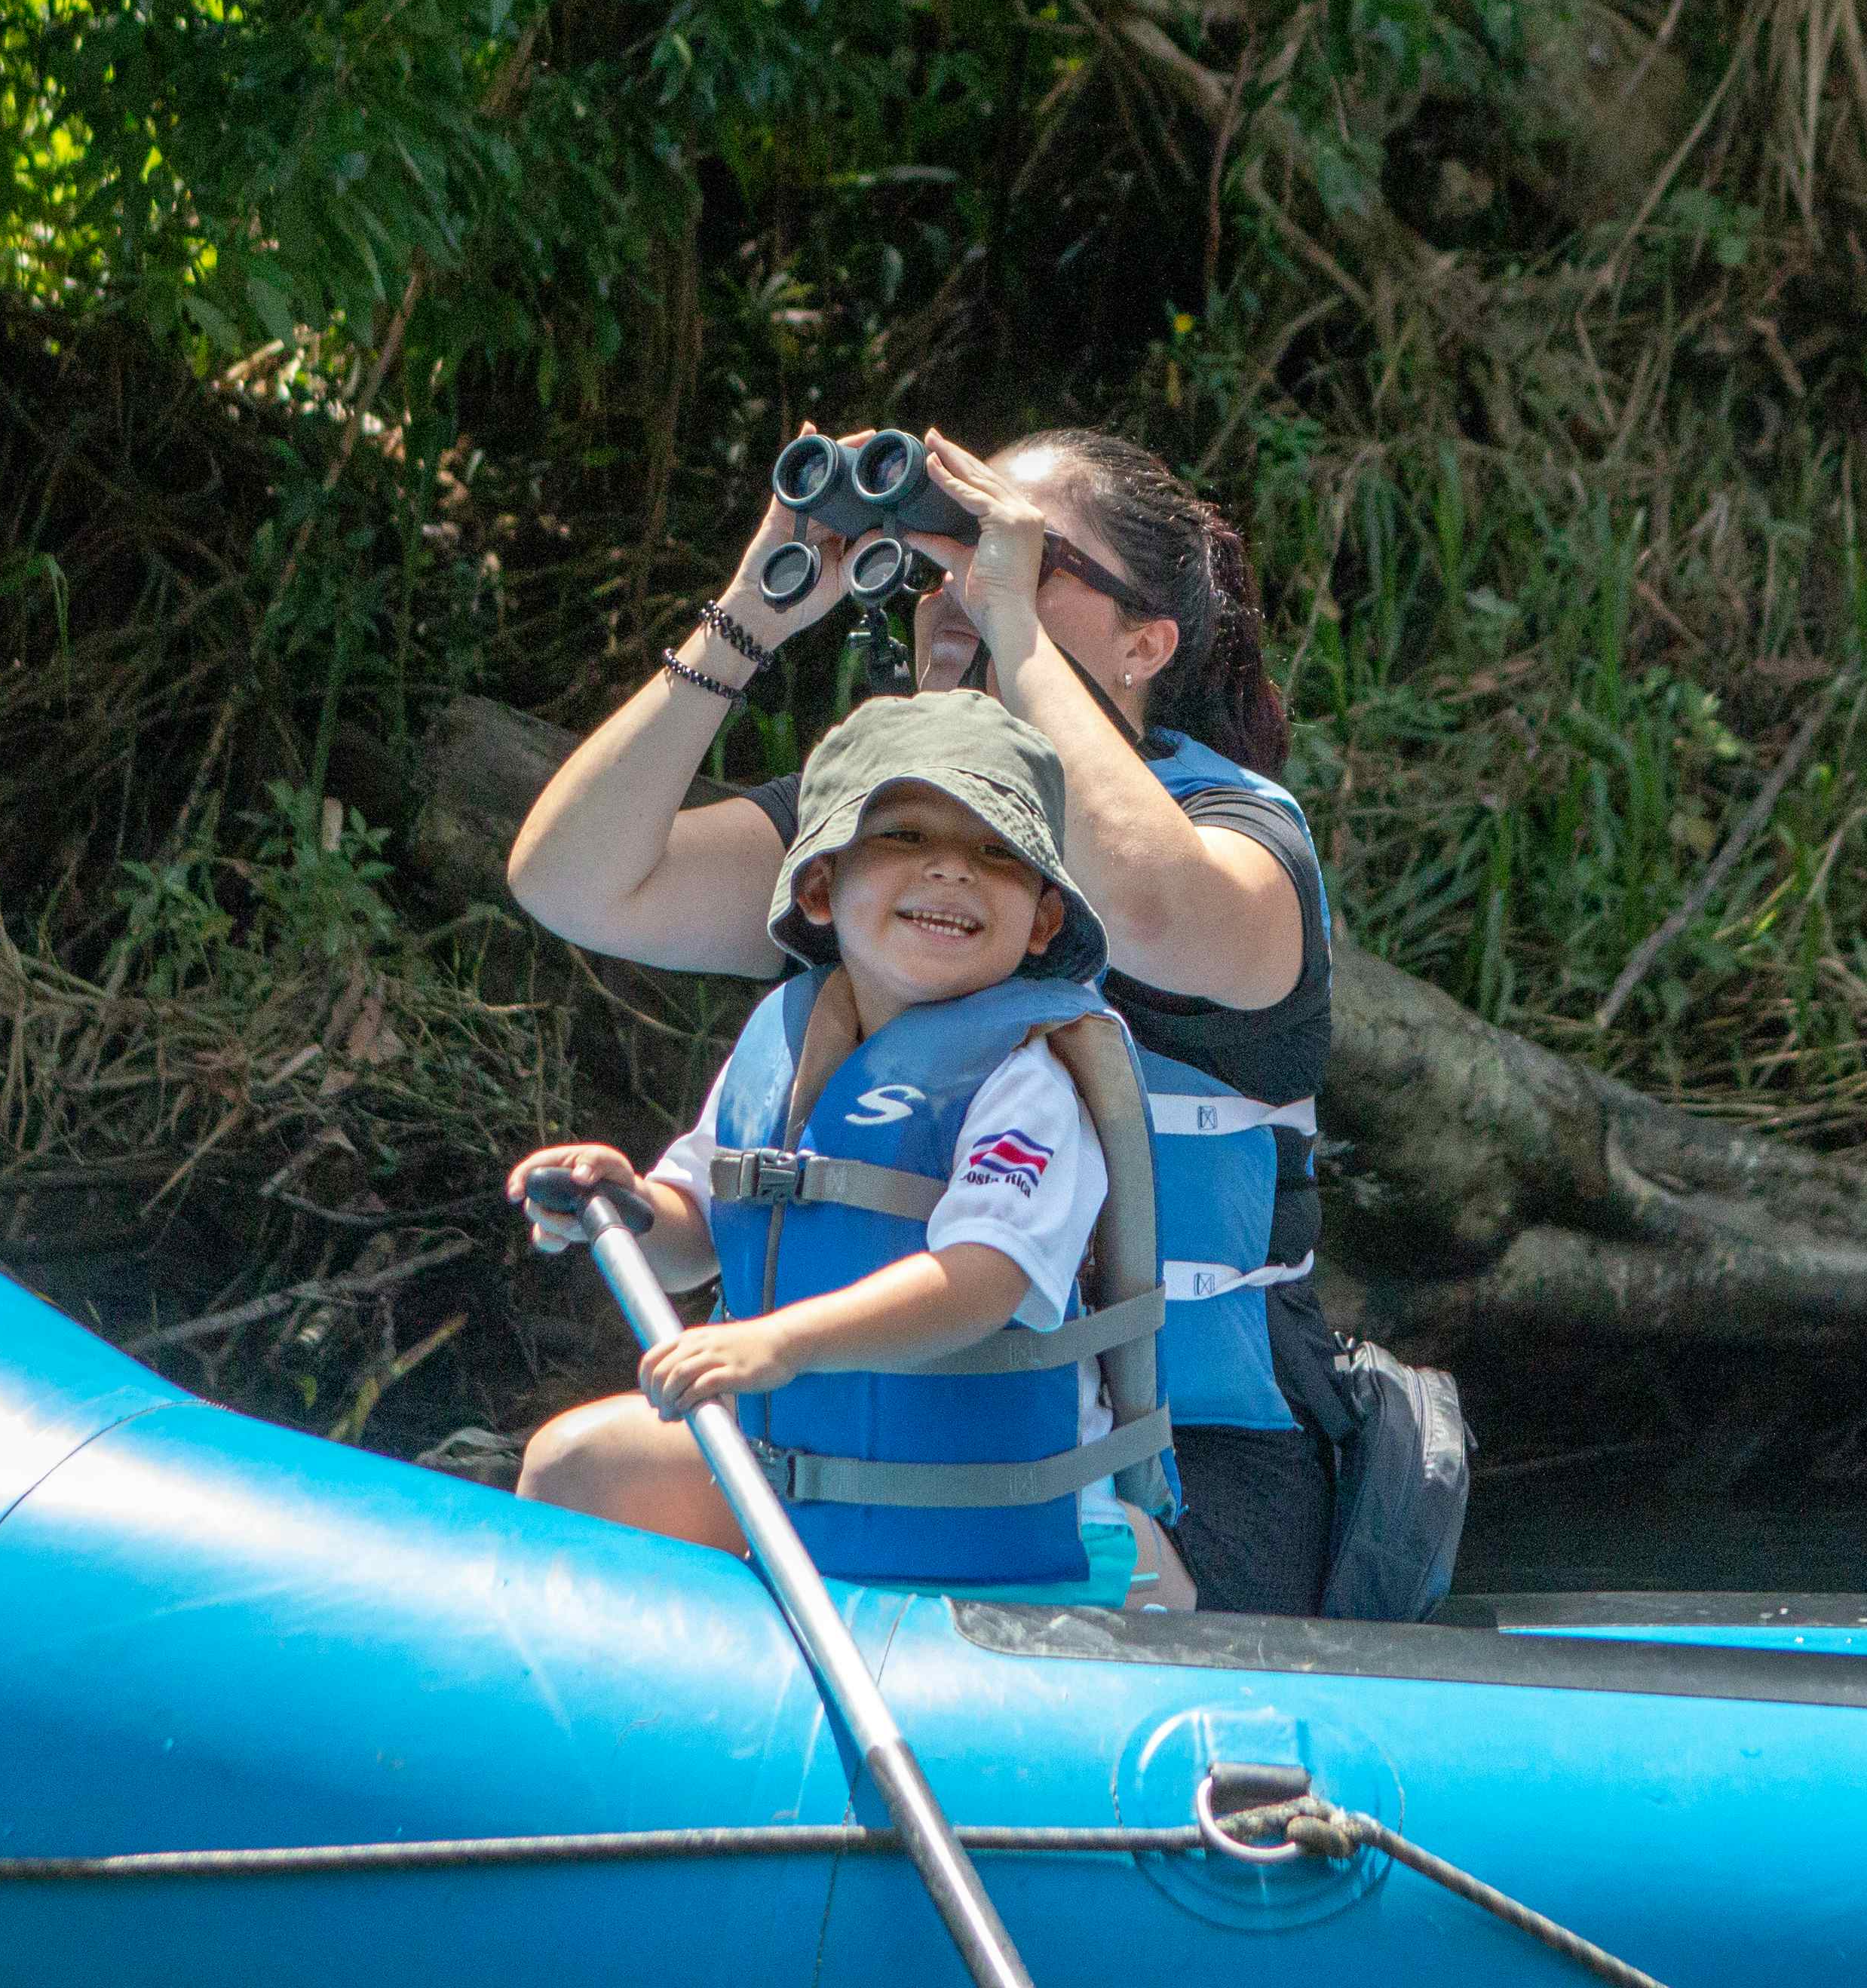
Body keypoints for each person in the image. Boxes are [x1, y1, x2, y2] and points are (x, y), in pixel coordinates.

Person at [507, 424, 1346, 1612]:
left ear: (1145, 643)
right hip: (865, 1423)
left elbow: (1153, 910)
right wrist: (751, 615)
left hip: (1177, 1474)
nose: (964, 579)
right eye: (945, 550)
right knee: (582, 1467)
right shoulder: (880, 832)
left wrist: (1014, 633)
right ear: (825, 886)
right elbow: (575, 885)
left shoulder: (1238, 837)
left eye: (1021, 551)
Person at [501, 692, 1188, 1607]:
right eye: (904, 835)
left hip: (1001, 1530)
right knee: (573, 1463)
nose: (952, 868)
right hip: (801, 1479)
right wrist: (623, 1209)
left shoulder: (1031, 1080)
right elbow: (693, 1235)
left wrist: (783, 1343)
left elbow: (984, 1280)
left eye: (997, 853)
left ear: (1041, 922)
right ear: (820, 888)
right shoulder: (787, 1046)